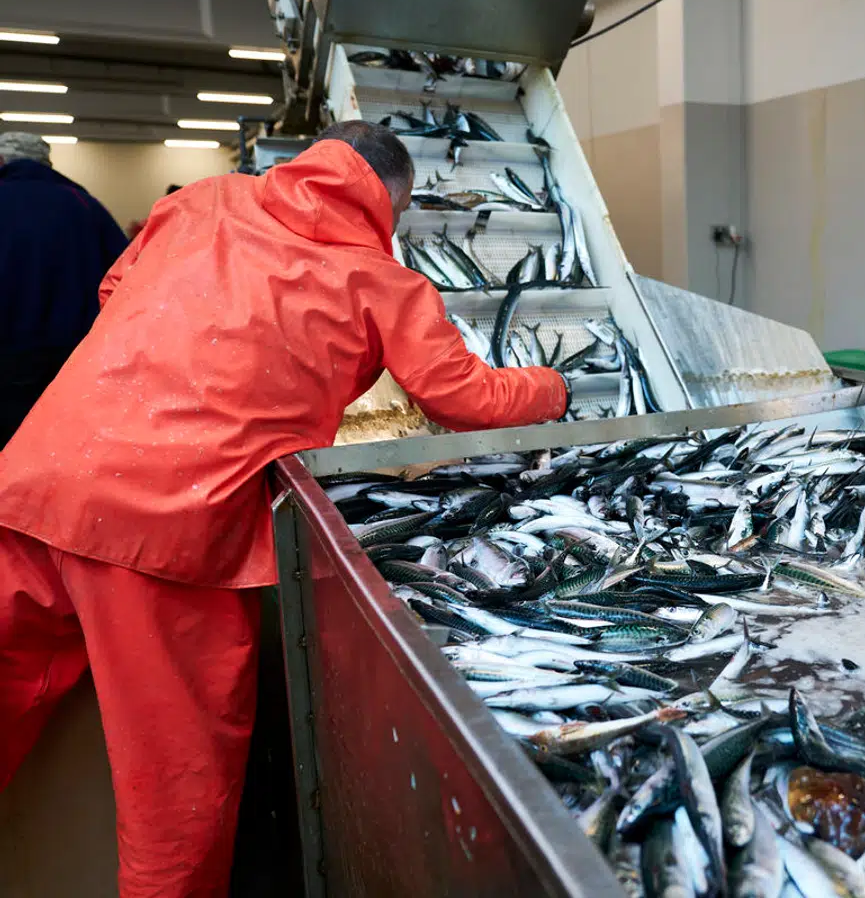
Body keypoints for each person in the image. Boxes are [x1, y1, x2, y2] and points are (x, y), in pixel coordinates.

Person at [0, 121, 568, 897]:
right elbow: (465, 401)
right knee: (176, 792)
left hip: (35, 477)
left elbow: (114, 292)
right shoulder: (382, 281)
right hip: (168, 531)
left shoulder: (202, 200)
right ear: (387, 198)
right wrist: (553, 388)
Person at [0, 131, 129, 447]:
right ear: (47, 163)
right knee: (60, 446)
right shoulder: (85, 205)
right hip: (74, 359)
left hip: (6, 358)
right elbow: (129, 276)